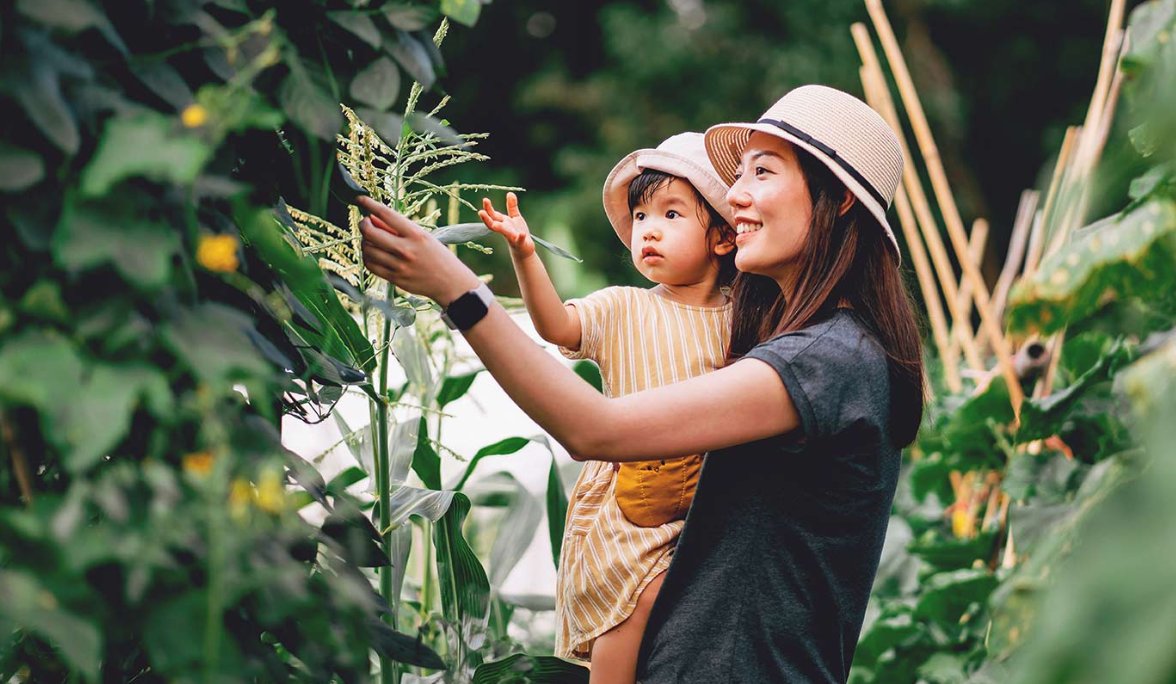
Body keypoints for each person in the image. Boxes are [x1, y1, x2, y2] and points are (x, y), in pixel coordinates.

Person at [357, 84, 925, 682]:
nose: (735, 195)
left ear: (836, 199)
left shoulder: (828, 359)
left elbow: (594, 428)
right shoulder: (810, 347)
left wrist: (460, 291)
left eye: (762, 171)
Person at [475, 133, 736, 681]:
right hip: (631, 502)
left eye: (671, 213)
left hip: (709, 502)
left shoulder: (743, 320)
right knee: (631, 604)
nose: (650, 229)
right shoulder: (622, 307)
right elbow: (557, 326)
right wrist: (525, 254)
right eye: (641, 216)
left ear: (721, 237)